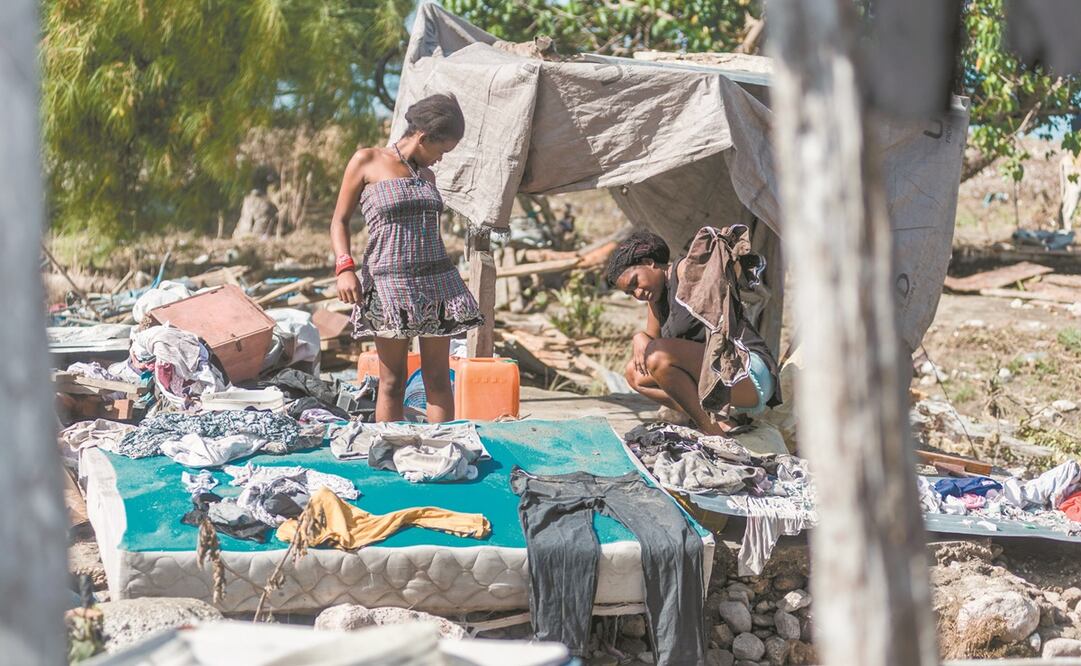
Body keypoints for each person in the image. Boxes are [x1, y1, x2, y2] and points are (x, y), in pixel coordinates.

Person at [330, 94, 483, 423]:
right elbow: (339, 221)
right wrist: (345, 268)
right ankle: (390, 452)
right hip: (388, 286)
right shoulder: (367, 160)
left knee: (438, 379)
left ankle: (443, 450)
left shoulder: (426, 177)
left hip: (437, 284)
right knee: (392, 381)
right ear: (424, 137)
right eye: (441, 151)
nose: (440, 160)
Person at [607, 231, 777, 435]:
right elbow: (651, 344)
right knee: (635, 374)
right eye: (630, 293)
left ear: (649, 262)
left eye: (635, 283)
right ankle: (718, 420)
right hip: (719, 381)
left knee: (658, 355)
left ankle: (713, 431)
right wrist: (639, 336)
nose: (638, 294)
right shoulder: (655, 300)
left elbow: (719, 265)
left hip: (746, 370)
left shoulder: (686, 271)